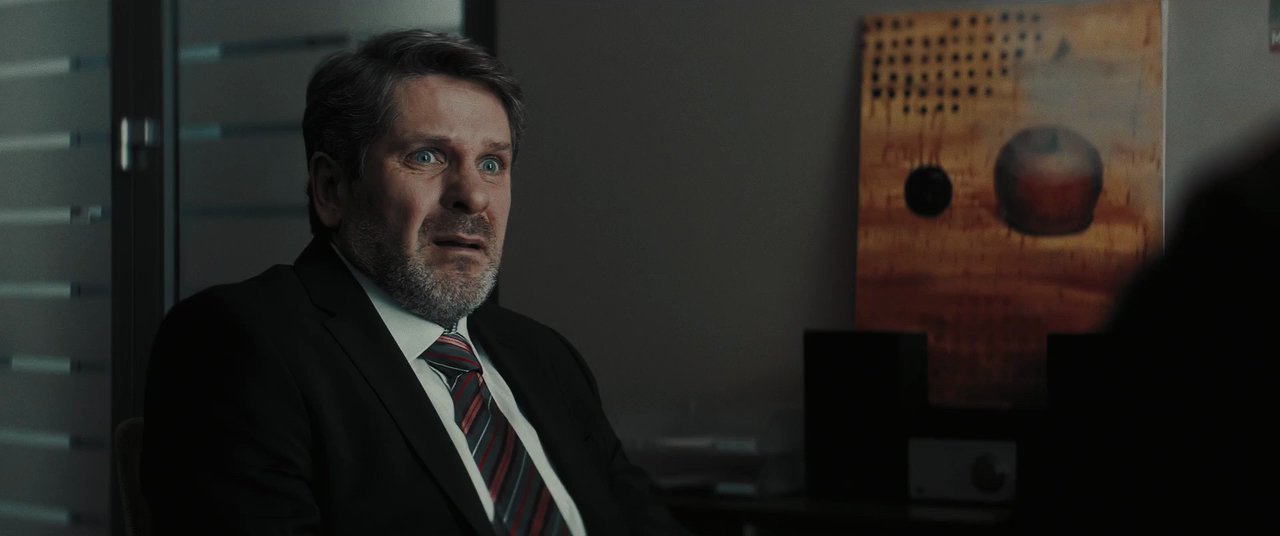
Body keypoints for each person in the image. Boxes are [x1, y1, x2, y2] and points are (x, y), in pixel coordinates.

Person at [142, 30, 689, 535]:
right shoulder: (238, 343)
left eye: (492, 164)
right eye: (426, 156)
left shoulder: (545, 357)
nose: (472, 196)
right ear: (332, 188)